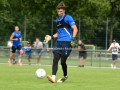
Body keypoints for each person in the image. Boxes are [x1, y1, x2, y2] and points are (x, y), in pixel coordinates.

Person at [44, 2, 78, 83]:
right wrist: (51, 37)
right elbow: (59, 32)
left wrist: (72, 38)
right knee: (55, 59)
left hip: (67, 42)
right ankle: (53, 78)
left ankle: (65, 76)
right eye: (58, 11)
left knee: (63, 62)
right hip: (59, 42)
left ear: (64, 11)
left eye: (61, 11)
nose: (59, 13)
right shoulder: (58, 20)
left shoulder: (68, 18)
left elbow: (75, 29)